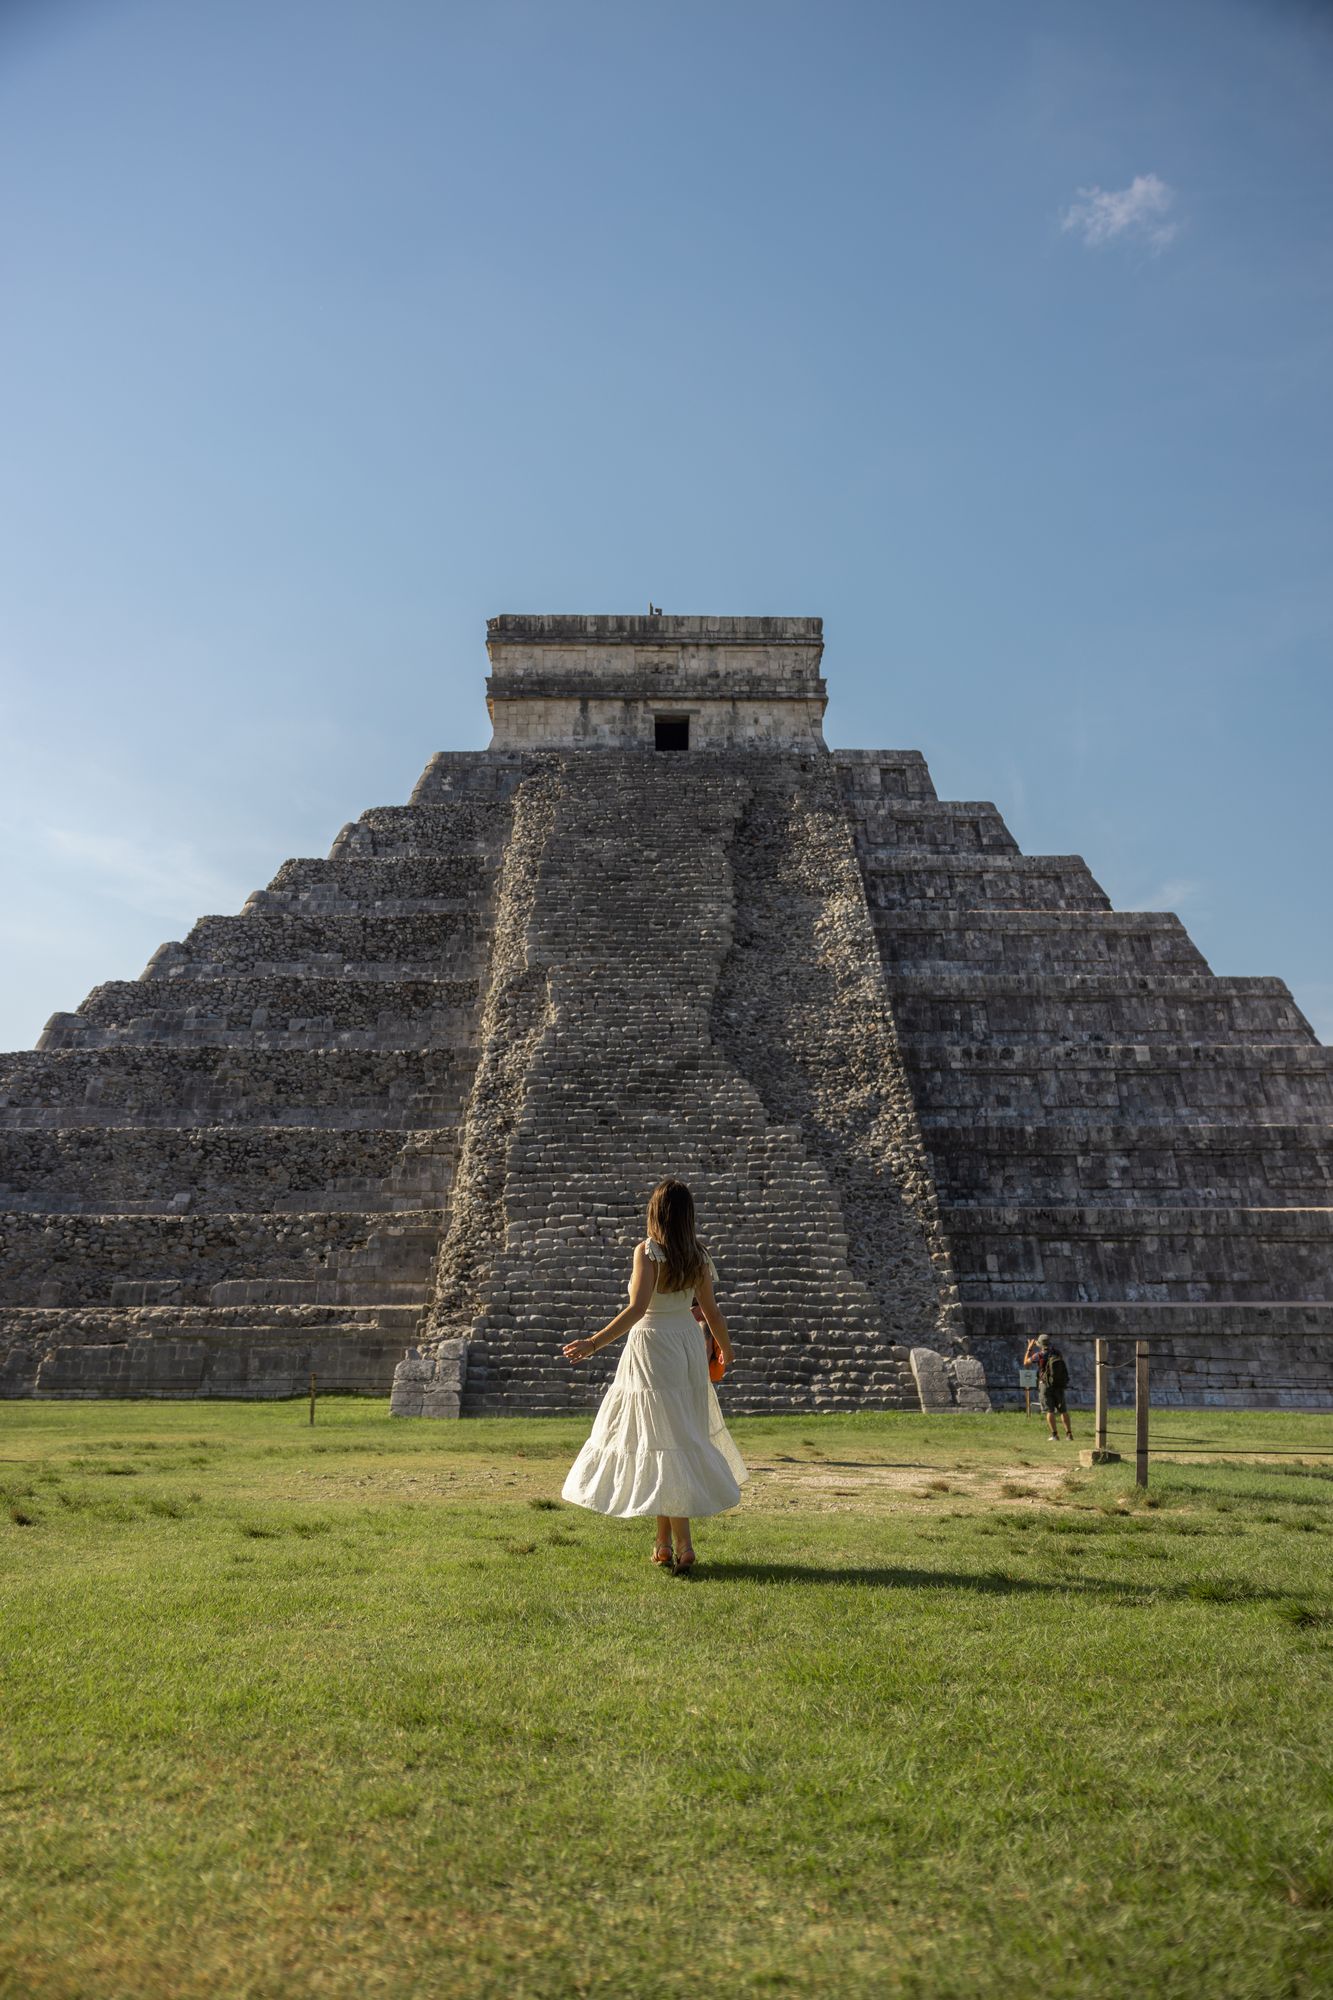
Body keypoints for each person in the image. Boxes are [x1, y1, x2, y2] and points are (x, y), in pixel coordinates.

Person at [561, 1178, 747, 1573]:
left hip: (652, 1345)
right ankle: (662, 1543)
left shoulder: (647, 1252)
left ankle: (684, 1545)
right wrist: (725, 1348)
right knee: (672, 1438)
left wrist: (592, 1343)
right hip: (685, 1344)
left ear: (656, 1213)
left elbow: (637, 1308)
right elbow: (711, 1310)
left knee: (663, 1439)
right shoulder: (698, 1254)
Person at [1026, 1333, 1072, 1442]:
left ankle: (1055, 1435)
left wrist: (1029, 1348)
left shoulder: (1039, 1355)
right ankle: (1069, 1435)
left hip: (1045, 1385)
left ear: (1040, 1344)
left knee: (1049, 1410)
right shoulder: (1057, 1352)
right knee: (1063, 1410)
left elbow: (1026, 1362)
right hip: (1058, 1383)